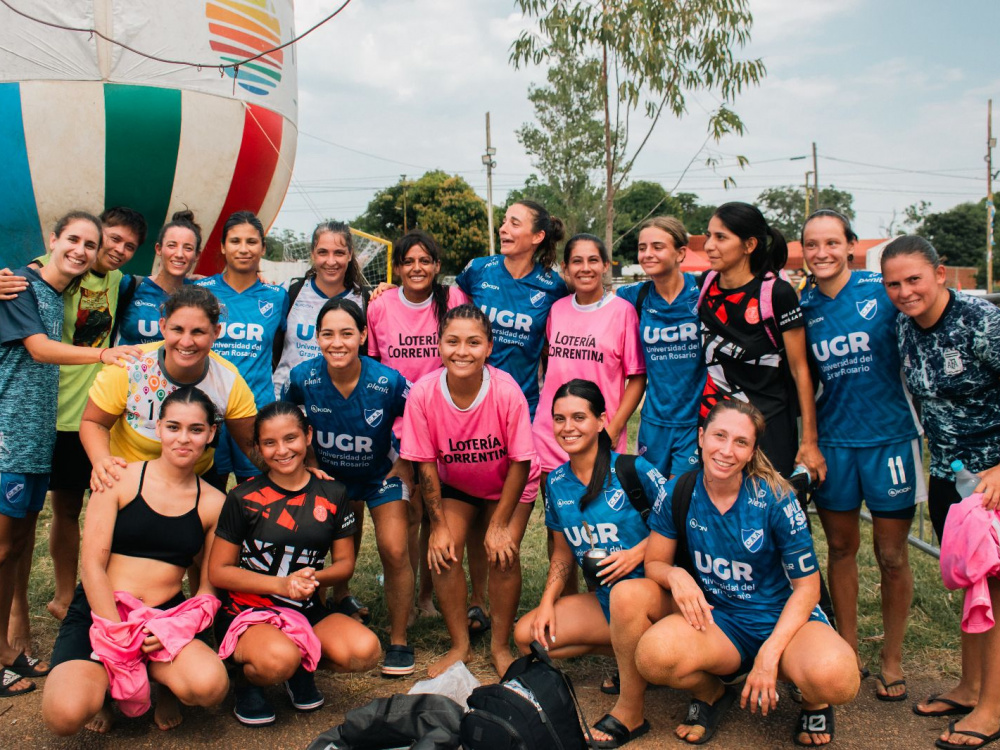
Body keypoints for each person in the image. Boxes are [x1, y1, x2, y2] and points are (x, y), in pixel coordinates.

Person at [622, 400, 858, 747]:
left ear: (752, 452)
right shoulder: (677, 491)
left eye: (741, 442)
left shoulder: (777, 497)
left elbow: (808, 588)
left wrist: (769, 655)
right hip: (721, 621)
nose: (727, 451)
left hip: (782, 620)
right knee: (654, 658)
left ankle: (812, 700)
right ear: (701, 438)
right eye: (719, 436)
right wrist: (676, 576)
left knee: (838, 679)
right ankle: (712, 693)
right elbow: (655, 562)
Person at [0, 211, 141, 699]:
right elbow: (38, 349)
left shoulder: (57, 293)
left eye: (90, 243)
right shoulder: (19, 284)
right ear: (53, 240)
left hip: (37, 436)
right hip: (9, 439)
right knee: (2, 545)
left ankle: (6, 653)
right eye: (73, 240)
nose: (81, 250)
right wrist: (106, 355)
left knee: (16, 543)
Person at [42, 387, 229, 734]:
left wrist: (178, 626)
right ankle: (110, 686)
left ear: (211, 433)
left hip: (164, 617)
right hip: (103, 612)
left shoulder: (215, 503)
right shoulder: (118, 478)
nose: (183, 439)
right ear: (158, 429)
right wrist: (118, 633)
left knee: (209, 686)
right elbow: (92, 566)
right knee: (64, 715)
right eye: (173, 427)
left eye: (196, 429)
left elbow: (208, 585)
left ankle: (162, 682)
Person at [799, 211, 924, 701]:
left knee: (892, 556)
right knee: (841, 549)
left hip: (891, 441)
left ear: (850, 246)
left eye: (832, 242)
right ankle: (846, 650)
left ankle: (892, 659)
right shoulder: (803, 305)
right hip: (833, 445)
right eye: (812, 244)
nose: (822, 252)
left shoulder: (882, 291)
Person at [881, 236, 1000, 747]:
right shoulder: (905, 328)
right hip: (949, 477)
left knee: (995, 592)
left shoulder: (982, 322)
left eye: (914, 279)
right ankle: (970, 687)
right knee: (972, 586)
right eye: (893, 283)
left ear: (941, 273)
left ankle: (994, 708)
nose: (905, 291)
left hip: (992, 480)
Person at [208, 401, 380, 727]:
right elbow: (219, 571)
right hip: (248, 610)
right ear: (258, 447)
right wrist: (280, 584)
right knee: (276, 659)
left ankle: (298, 668)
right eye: (269, 443)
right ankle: (248, 681)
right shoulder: (242, 497)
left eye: (291, 438)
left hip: (304, 608)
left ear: (308, 435)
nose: (282, 450)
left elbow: (344, 564)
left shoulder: (332, 492)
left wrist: (313, 578)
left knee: (364, 651)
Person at [514, 379, 659, 747]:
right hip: (608, 602)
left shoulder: (633, 469)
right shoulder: (557, 483)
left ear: (601, 420)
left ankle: (632, 708)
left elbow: (680, 526)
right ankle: (636, 660)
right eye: (559, 419)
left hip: (657, 597)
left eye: (579, 417)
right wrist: (547, 602)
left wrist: (636, 553)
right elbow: (563, 554)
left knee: (628, 596)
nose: (568, 427)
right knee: (528, 635)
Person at [400, 304, 540, 677]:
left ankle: (500, 646)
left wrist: (499, 524)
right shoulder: (424, 394)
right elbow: (425, 464)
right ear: (439, 344)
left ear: (489, 347)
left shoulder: (506, 390)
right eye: (453, 341)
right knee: (443, 552)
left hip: (508, 484)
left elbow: (520, 462)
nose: (463, 351)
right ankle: (460, 645)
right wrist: (439, 525)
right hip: (459, 484)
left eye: (474, 342)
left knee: (503, 554)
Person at [281, 298, 414, 677]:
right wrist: (308, 463)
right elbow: (288, 419)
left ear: (362, 336)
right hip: (331, 477)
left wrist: (406, 462)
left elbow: (421, 413)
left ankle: (400, 640)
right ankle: (326, 614)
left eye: (345, 333)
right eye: (327, 334)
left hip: (379, 477)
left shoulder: (386, 380)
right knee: (319, 548)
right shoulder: (303, 377)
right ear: (317, 338)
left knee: (393, 547)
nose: (336, 342)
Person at [366, 229, 468, 618]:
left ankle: (427, 598)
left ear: (437, 266)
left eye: (425, 260)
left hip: (442, 420)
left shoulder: (452, 299)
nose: (417, 267)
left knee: (433, 510)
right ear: (397, 267)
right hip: (395, 424)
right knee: (407, 511)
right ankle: (404, 598)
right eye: (409, 261)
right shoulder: (381, 305)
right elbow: (375, 365)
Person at [80, 286, 258, 490]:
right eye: (177, 329)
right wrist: (102, 461)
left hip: (194, 483)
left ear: (216, 332)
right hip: (128, 480)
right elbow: (93, 422)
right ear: (163, 327)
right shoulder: (129, 367)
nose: (186, 341)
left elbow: (252, 446)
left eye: (198, 332)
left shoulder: (228, 380)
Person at [699, 202, 825, 480]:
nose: (709, 245)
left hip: (768, 427)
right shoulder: (704, 284)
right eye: (708, 235)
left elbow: (799, 370)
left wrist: (809, 442)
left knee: (772, 513)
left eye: (721, 237)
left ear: (749, 245)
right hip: (716, 423)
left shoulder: (775, 294)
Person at [532, 233, 646, 474]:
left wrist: (613, 429)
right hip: (551, 431)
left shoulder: (622, 313)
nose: (585, 268)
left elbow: (637, 378)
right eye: (577, 261)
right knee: (557, 509)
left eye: (593, 260)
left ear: (605, 265)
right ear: (565, 268)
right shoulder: (557, 309)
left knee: (595, 510)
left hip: (598, 432)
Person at [196, 211, 289, 487]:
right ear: (223, 247)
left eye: (252, 242)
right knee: (207, 497)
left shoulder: (278, 296)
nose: (244, 249)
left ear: (262, 247)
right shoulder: (201, 291)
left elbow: (282, 346)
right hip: (207, 410)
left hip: (255, 413)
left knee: (258, 500)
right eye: (235, 241)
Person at [616, 217, 705, 479]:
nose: (647, 254)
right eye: (642, 248)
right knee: (652, 500)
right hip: (653, 422)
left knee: (681, 500)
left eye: (657, 246)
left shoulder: (701, 292)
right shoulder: (633, 296)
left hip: (694, 420)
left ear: (680, 253)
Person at [273, 220, 369, 398]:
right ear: (312, 254)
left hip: (340, 408)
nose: (330, 261)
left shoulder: (366, 300)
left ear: (350, 255)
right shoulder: (289, 291)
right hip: (288, 407)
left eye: (339, 253)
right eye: (323, 252)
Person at [115, 210, 202, 346]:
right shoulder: (130, 286)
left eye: (188, 248)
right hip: (128, 367)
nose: (179, 254)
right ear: (158, 249)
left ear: (196, 256)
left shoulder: (202, 294)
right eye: (172, 245)